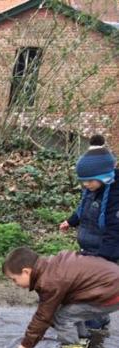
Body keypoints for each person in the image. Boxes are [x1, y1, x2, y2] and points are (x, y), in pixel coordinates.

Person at [3, 247, 119, 348]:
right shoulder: (50, 267)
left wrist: (25, 346)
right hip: (109, 283)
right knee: (70, 312)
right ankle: (82, 341)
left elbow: (43, 316)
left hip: (111, 292)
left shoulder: (49, 281)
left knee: (62, 318)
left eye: (14, 279)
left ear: (26, 272)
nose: (14, 283)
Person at [59, 134, 119, 330]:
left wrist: (102, 260)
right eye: (83, 181)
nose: (86, 185)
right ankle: (95, 322)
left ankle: (92, 326)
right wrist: (71, 220)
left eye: (89, 181)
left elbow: (114, 233)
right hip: (88, 249)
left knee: (96, 292)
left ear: (104, 177)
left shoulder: (114, 199)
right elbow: (83, 209)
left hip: (105, 253)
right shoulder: (92, 189)